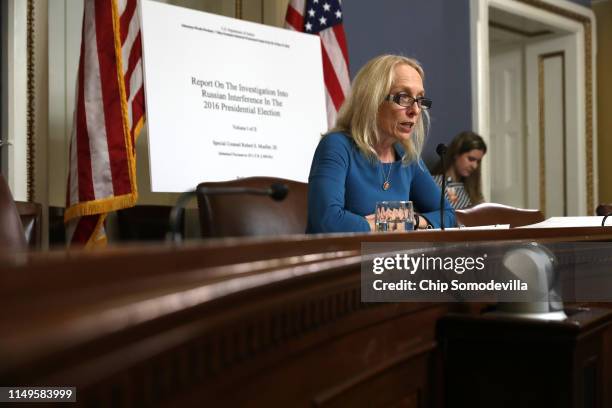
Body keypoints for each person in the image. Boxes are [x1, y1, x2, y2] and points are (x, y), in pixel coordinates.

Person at [306, 54, 455, 233]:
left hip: (389, 260)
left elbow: (448, 215)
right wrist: (387, 225)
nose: (415, 110)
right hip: (344, 258)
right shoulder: (337, 146)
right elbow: (327, 221)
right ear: (373, 100)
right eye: (404, 97)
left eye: (419, 99)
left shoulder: (407, 158)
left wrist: (406, 220)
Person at [431, 131, 487, 209]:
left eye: (478, 161)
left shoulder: (471, 187)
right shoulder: (435, 183)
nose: (475, 166)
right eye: (471, 159)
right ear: (456, 154)